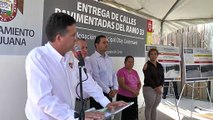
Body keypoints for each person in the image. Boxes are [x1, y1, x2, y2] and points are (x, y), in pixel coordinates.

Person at [25, 12, 126, 120]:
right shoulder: (38, 57)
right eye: (73, 35)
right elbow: (44, 100)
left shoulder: (70, 56)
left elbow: (87, 81)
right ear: (59, 38)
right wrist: (76, 116)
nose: (75, 39)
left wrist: (106, 102)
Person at [89, 35, 118, 109]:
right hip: (99, 93)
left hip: (110, 92)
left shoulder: (108, 58)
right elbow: (96, 79)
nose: (106, 44)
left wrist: (115, 88)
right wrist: (108, 91)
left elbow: (114, 75)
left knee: (108, 115)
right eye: (104, 42)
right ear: (97, 45)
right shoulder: (93, 59)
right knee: (99, 116)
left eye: (107, 42)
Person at [116, 56, 141, 120]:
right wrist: (133, 91)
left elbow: (139, 83)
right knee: (124, 116)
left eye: (132, 62)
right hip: (123, 97)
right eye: (129, 62)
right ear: (125, 62)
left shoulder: (135, 72)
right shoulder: (121, 71)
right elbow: (122, 85)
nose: (131, 63)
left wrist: (137, 91)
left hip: (134, 97)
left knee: (133, 115)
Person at [143, 48, 164, 120]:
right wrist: (156, 88)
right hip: (149, 88)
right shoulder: (146, 65)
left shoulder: (160, 65)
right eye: (151, 54)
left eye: (155, 54)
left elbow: (162, 77)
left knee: (154, 107)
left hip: (159, 88)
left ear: (157, 55)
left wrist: (161, 86)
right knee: (149, 108)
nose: (153, 56)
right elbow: (148, 78)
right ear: (149, 55)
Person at [72, 38, 92, 113]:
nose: (85, 50)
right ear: (75, 49)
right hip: (75, 103)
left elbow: (91, 82)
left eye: (86, 48)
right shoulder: (69, 63)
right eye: (82, 48)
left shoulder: (88, 62)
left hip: (87, 101)